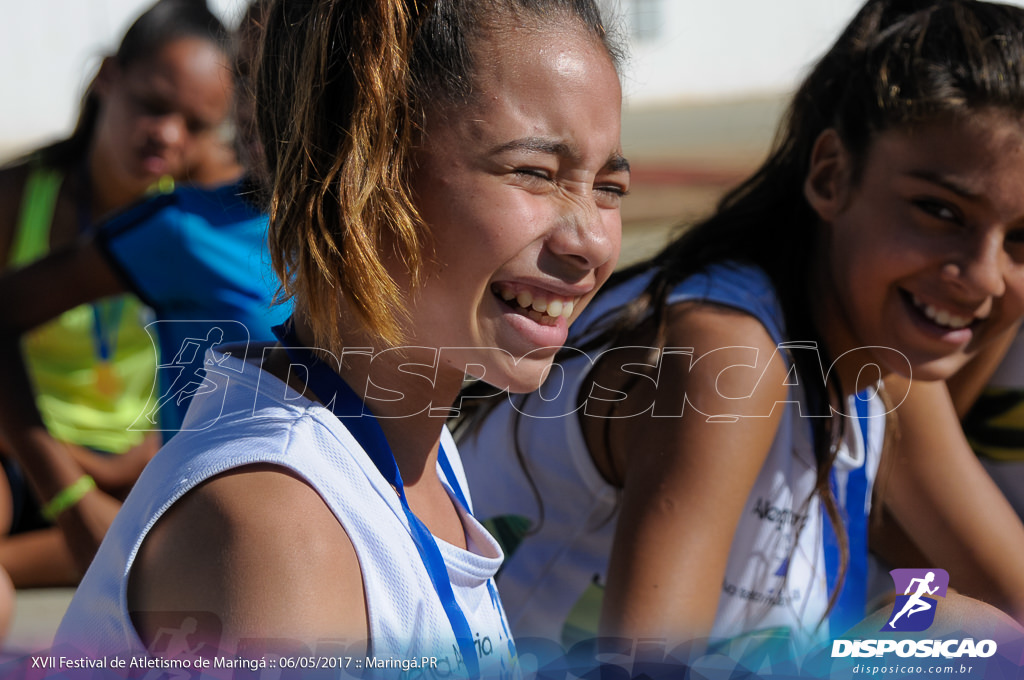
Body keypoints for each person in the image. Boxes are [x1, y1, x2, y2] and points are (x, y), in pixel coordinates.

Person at [52, 0, 630, 673]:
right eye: (534, 172)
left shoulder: (411, 444)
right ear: (362, 166)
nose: (591, 239)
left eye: (610, 186)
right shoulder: (281, 526)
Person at [457, 0, 1024, 661]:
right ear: (831, 176)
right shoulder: (730, 353)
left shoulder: (884, 363)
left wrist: (910, 619)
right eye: (940, 211)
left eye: (1021, 238)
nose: (983, 276)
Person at [0, 0, 233, 596]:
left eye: (196, 123)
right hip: (19, 448)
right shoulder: (18, 196)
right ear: (108, 76)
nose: (167, 133)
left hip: (132, 477)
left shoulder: (202, 222)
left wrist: (101, 483)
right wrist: (66, 480)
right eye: (152, 105)